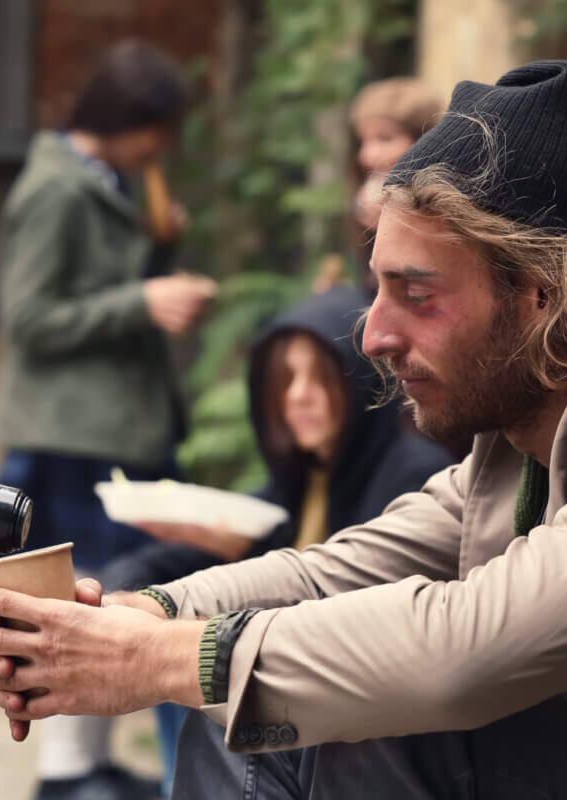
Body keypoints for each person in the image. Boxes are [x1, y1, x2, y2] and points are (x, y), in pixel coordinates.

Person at [0, 60, 567, 799]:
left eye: (417, 292)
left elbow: (463, 657)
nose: (370, 335)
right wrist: (147, 617)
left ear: (543, 294)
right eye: (378, 285)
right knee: (255, 694)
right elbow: (339, 570)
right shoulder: (530, 420)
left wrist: (169, 661)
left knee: (378, 702)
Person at [99, 286, 453, 792]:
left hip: (378, 727)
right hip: (307, 715)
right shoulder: (302, 480)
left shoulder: (414, 476)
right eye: (285, 379)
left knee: (221, 691)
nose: (298, 395)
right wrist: (108, 597)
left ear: (355, 379)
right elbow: (177, 558)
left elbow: (367, 608)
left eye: (319, 376)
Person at [0, 39, 215, 800]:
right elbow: (29, 318)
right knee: (72, 603)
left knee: (110, 600)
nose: (165, 148)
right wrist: (142, 302)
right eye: (161, 129)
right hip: (69, 440)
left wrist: (158, 252)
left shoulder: (113, 181)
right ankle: (66, 776)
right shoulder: (55, 190)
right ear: (132, 120)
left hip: (116, 433)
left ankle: (88, 763)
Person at [313, 77, 444, 294]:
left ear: (424, 139)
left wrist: (400, 221)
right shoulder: (364, 197)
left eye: (384, 138)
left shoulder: (449, 201)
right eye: (363, 141)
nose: (366, 156)